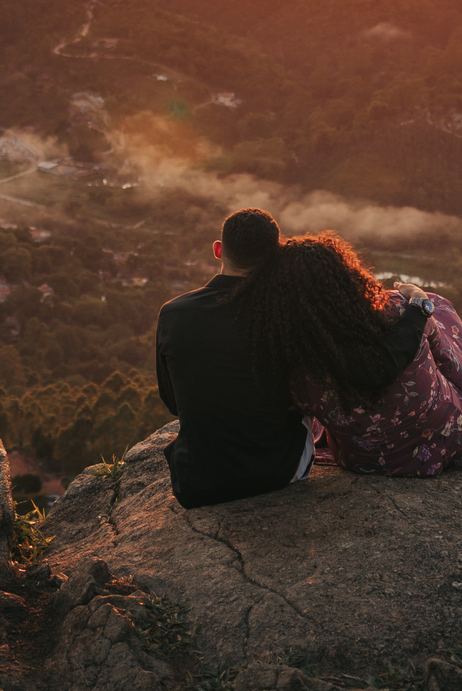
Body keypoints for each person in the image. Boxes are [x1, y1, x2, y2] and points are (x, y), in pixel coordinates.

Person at [154, 207, 428, 508]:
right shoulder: (285, 317)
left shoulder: (173, 314)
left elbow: (173, 403)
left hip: (196, 484)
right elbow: (373, 367)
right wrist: (417, 311)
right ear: (276, 256)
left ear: (218, 250)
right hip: (275, 473)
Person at [237, 232, 462, 478]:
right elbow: (423, 339)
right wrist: (419, 301)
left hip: (363, 461)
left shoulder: (286, 356)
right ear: (344, 278)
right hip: (452, 440)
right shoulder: (396, 312)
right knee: (439, 309)